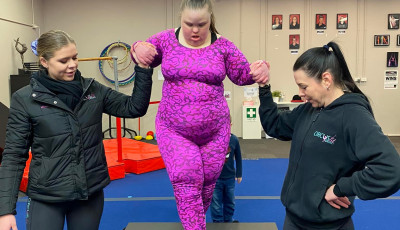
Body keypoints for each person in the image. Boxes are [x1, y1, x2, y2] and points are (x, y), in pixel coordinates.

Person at [130, 0, 270, 229]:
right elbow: (144, 53)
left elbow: (243, 75)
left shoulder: (223, 46)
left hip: (216, 133)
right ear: (180, 19)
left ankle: (193, 222)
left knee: (206, 186)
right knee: (186, 180)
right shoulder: (166, 39)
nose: (195, 30)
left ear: (210, 21)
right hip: (174, 130)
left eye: (201, 24)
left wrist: (260, 68)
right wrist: (137, 47)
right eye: (189, 24)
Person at [0, 30, 153, 230]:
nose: (72, 64)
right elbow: (14, 155)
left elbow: (134, 107)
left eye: (75, 57)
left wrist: (143, 68)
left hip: (88, 193)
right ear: (44, 62)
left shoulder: (93, 90)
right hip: (46, 195)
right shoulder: (25, 98)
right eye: (64, 61)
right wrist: (5, 210)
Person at [257, 41, 400, 230]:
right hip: (293, 219)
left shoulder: (354, 115)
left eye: (303, 86)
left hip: (327, 225)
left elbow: (391, 170)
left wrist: (342, 188)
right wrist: (264, 87)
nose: (300, 94)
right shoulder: (308, 110)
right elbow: (274, 126)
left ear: (326, 79)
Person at [210, 117, 242, 223]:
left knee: (230, 201)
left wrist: (239, 173)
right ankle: (217, 222)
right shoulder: (212, 139)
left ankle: (228, 220)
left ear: (231, 125)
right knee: (216, 203)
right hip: (215, 178)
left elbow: (238, 157)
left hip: (229, 177)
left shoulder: (234, 139)